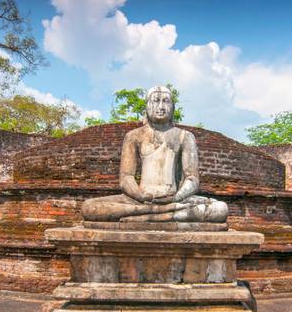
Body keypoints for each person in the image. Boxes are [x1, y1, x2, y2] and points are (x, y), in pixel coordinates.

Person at [81, 86, 228, 223]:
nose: (161, 107)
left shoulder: (184, 136)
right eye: (155, 101)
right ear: (146, 106)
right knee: (89, 207)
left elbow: (192, 179)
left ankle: (150, 214)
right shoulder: (133, 136)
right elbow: (126, 177)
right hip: (140, 200)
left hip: (175, 199)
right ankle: (161, 213)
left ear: (173, 107)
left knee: (220, 209)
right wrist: (140, 196)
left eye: (166, 102)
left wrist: (176, 197)